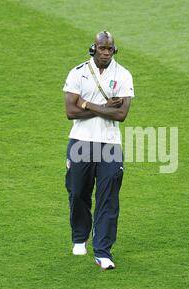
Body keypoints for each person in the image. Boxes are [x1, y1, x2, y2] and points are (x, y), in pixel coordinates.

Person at [62, 31, 134, 270]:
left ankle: (103, 251)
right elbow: (70, 111)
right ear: (93, 48)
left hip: (110, 144)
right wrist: (103, 107)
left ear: (114, 50)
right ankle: (80, 235)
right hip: (80, 141)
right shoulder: (77, 72)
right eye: (102, 48)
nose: (105, 52)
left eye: (109, 49)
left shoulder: (123, 75)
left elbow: (121, 114)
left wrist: (86, 103)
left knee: (108, 198)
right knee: (78, 192)